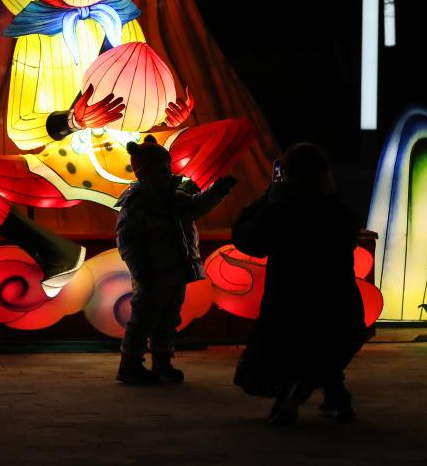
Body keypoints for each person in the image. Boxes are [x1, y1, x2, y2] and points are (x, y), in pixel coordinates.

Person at [231, 142, 366, 425]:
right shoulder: (337, 210)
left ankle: (291, 396)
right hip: (337, 297)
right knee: (326, 346)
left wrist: (268, 197)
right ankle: (334, 398)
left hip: (289, 297)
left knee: (289, 350)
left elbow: (247, 239)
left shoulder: (281, 209)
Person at [114, 135, 237, 384]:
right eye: (161, 168)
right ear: (145, 172)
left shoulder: (175, 197)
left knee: (169, 318)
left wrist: (218, 190)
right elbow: (128, 242)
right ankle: (130, 364)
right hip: (150, 273)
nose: (167, 172)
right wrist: (140, 271)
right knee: (143, 318)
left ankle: (162, 361)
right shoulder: (137, 202)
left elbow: (197, 206)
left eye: (167, 167)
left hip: (175, 271)